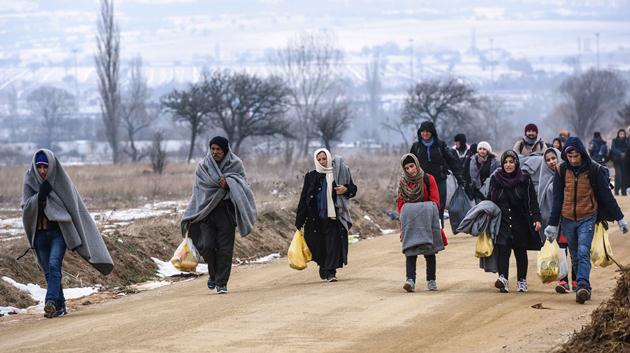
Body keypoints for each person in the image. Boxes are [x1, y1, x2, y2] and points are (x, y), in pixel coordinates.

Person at [21, 150, 114, 318]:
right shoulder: (29, 180)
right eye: (39, 167)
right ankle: (60, 306)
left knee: (54, 265)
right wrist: (39, 197)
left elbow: (74, 208)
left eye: (45, 167)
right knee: (49, 272)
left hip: (59, 232)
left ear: (51, 166)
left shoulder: (61, 180)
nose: (42, 171)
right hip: (40, 235)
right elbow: (25, 208)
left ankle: (49, 302)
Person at [545, 137, 628, 304]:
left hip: (588, 217)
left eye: (576, 156)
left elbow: (606, 195)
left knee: (583, 250)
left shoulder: (593, 170)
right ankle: (582, 285)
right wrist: (553, 225)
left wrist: (620, 218)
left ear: (582, 153)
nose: (574, 160)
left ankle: (583, 286)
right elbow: (557, 199)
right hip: (568, 218)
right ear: (565, 155)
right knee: (575, 254)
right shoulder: (561, 171)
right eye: (570, 157)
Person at [181, 136, 257, 294]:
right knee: (207, 245)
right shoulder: (203, 166)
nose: (215, 152)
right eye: (213, 149)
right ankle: (213, 274)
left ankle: (221, 283)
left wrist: (229, 183)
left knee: (225, 249)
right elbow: (198, 192)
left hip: (226, 212)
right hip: (207, 212)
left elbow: (243, 185)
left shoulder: (236, 164)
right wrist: (192, 214)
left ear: (225, 150)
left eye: (219, 149)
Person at [296, 148, 357, 282]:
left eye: (324, 159)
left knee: (333, 245)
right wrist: (299, 220)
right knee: (319, 246)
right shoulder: (311, 176)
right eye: (319, 160)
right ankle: (324, 267)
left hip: (334, 217)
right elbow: (304, 198)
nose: (322, 162)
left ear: (329, 158)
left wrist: (345, 189)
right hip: (315, 219)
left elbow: (353, 189)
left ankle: (331, 272)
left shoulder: (338, 174)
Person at [489, 150, 542, 293]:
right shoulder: (496, 179)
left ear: (516, 163)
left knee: (520, 251)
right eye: (505, 162)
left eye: (511, 162)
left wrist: (536, 218)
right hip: (502, 221)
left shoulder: (524, 178)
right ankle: (503, 279)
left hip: (521, 221)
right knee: (503, 251)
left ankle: (522, 281)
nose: (508, 165)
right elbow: (489, 201)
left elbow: (532, 200)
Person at [397, 153, 443, 292]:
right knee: (410, 251)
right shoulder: (403, 182)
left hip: (426, 221)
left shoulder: (428, 179)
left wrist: (422, 210)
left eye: (412, 166)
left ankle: (431, 280)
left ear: (416, 164)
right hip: (410, 222)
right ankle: (410, 280)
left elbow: (435, 201)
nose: (411, 170)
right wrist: (404, 216)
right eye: (407, 168)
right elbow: (400, 203)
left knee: (429, 251)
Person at [537, 147, 577, 293]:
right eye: (548, 160)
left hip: (570, 217)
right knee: (561, 251)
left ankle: (577, 280)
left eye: (554, 158)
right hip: (553, 222)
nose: (551, 162)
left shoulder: (568, 174)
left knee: (575, 250)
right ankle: (563, 281)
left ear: (559, 158)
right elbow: (541, 201)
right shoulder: (544, 178)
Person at [410, 121, 463, 223]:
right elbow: (409, 164)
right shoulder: (416, 147)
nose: (425, 133)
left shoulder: (441, 145)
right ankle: (427, 232)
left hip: (439, 180)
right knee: (424, 207)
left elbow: (451, 161)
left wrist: (459, 177)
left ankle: (439, 231)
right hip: (422, 181)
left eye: (427, 131)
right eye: (423, 131)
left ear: (432, 132)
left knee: (439, 207)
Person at [610, 129, 628, 196]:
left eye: (623, 134)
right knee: (618, 175)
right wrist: (620, 153)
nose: (622, 135)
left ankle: (624, 191)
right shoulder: (614, 141)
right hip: (617, 161)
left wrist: (624, 153)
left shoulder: (627, 140)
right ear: (618, 134)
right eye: (620, 134)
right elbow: (613, 149)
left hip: (625, 161)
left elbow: (628, 148)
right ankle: (616, 190)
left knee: (624, 176)